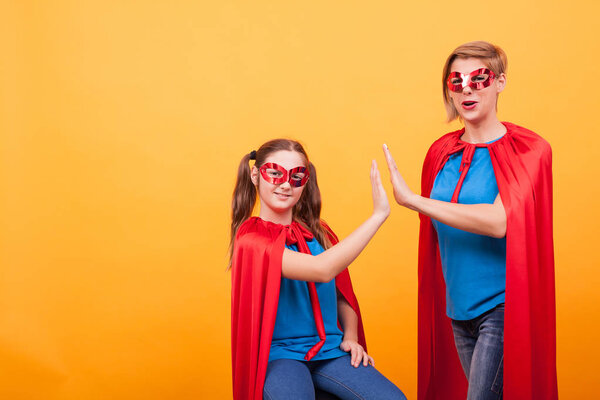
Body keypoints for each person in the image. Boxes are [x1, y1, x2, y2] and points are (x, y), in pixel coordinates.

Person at [382, 41, 557, 400]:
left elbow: (499, 221)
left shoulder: (529, 149)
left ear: (500, 82)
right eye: (456, 81)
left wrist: (415, 201)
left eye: (479, 78)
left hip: (503, 308)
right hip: (457, 311)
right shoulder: (441, 151)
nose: (466, 89)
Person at [229, 139, 406, 400]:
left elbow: (342, 296)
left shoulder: (319, 234)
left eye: (296, 176)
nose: (286, 184)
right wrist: (378, 215)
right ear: (255, 175)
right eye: (275, 173)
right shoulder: (251, 238)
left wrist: (351, 337)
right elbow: (322, 269)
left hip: (331, 351)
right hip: (280, 354)